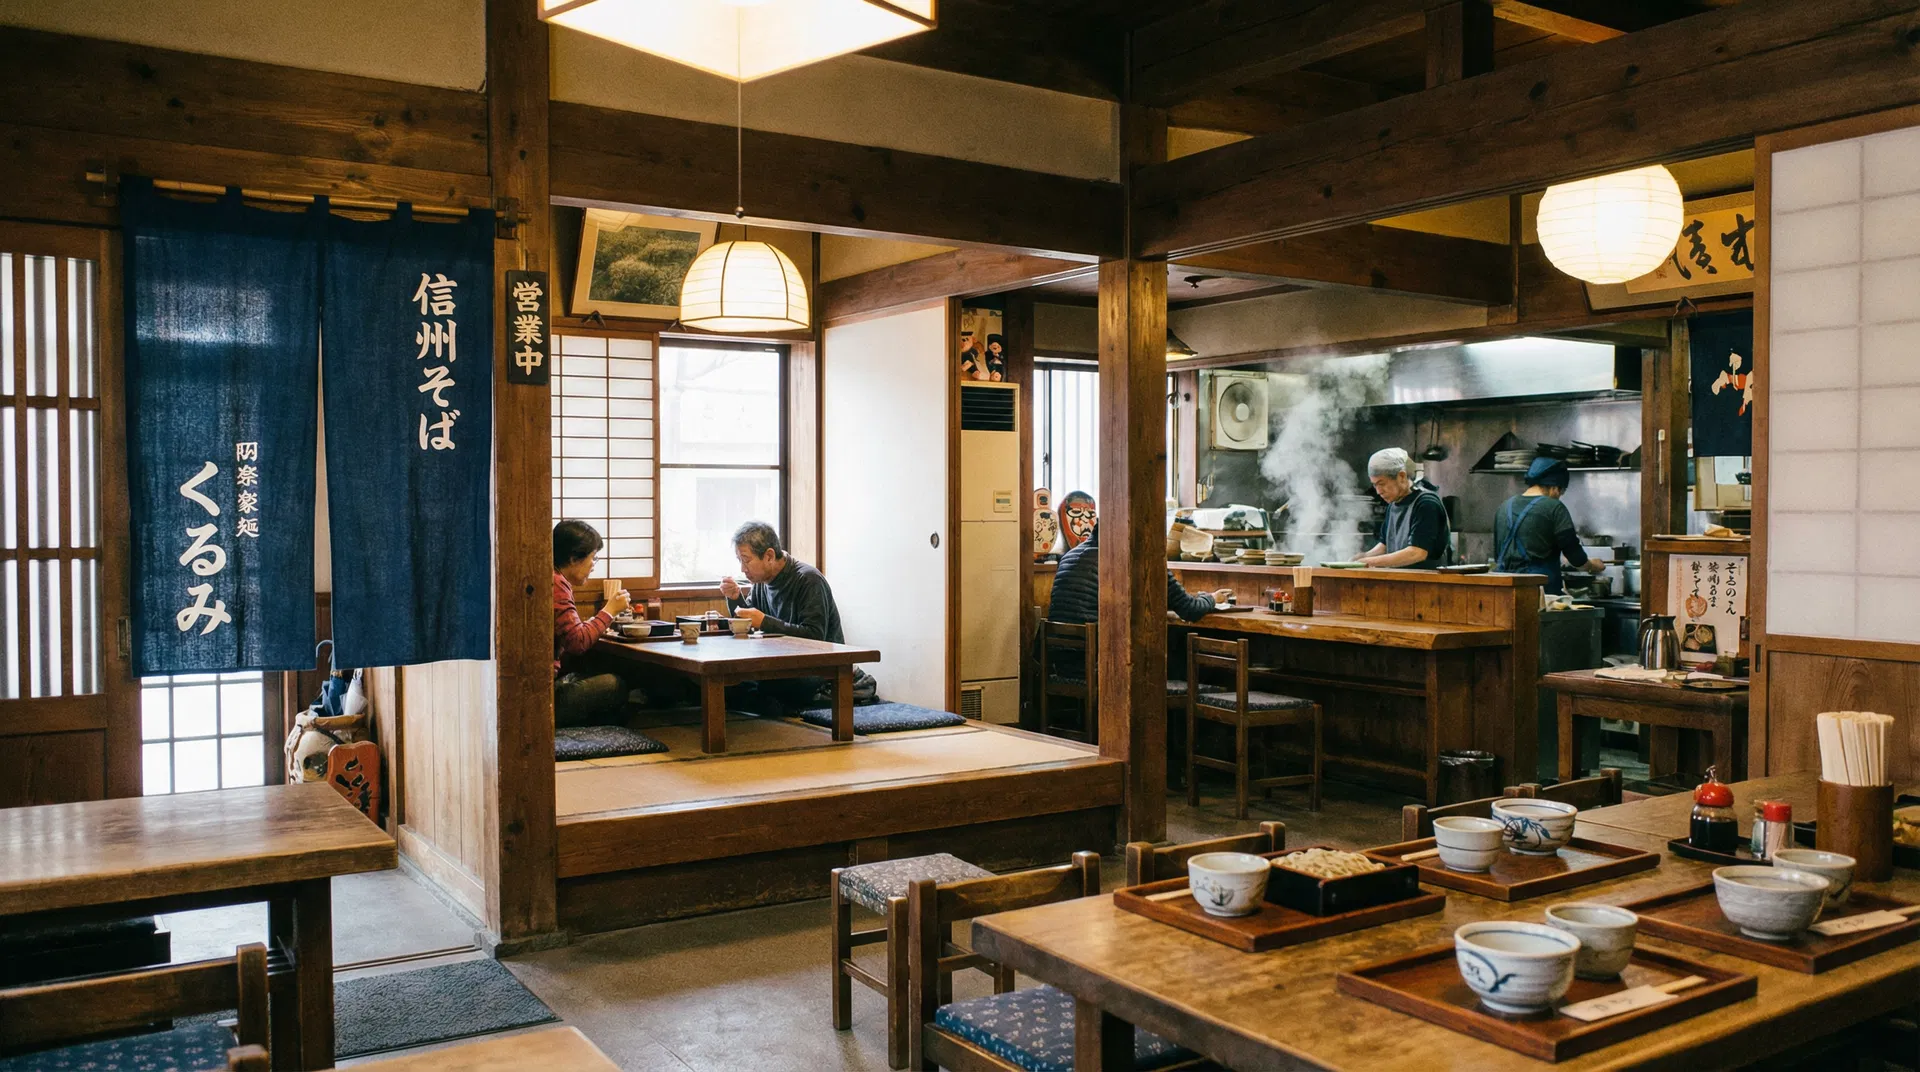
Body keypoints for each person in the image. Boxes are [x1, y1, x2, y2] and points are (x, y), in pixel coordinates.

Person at [1045, 522, 1233, 677]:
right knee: (1180, 657)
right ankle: (1181, 720)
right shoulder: (1131, 558)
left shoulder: (1071, 555)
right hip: (1101, 663)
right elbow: (1189, 609)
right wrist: (1213, 598)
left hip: (1061, 659)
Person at [720, 521, 846, 709]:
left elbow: (815, 637)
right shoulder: (761, 582)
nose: (742, 569)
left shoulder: (809, 579)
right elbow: (750, 623)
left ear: (769, 556)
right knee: (726, 681)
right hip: (781, 665)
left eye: (746, 560)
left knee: (765, 686)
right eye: (739, 561)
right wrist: (735, 598)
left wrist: (764, 622)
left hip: (818, 668)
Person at [553, 520, 630, 728]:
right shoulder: (557, 584)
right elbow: (578, 642)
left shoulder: (552, 578)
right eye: (592, 558)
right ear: (573, 558)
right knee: (615, 685)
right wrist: (610, 610)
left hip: (537, 686)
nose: (593, 566)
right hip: (543, 698)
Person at [1492, 457, 1604, 595]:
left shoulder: (1503, 507)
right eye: (1561, 493)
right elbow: (1575, 557)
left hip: (1503, 589)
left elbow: (1498, 555)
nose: (1559, 496)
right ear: (1555, 488)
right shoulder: (1555, 508)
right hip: (1540, 592)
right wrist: (1592, 565)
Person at [1356, 447, 1453, 569]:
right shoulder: (1393, 505)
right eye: (1375, 485)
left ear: (1401, 476)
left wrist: (1368, 562)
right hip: (1401, 583)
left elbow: (1416, 553)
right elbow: (1384, 546)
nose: (1378, 491)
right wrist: (1361, 557)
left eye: (1381, 484)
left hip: (1427, 584)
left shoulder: (1426, 503)